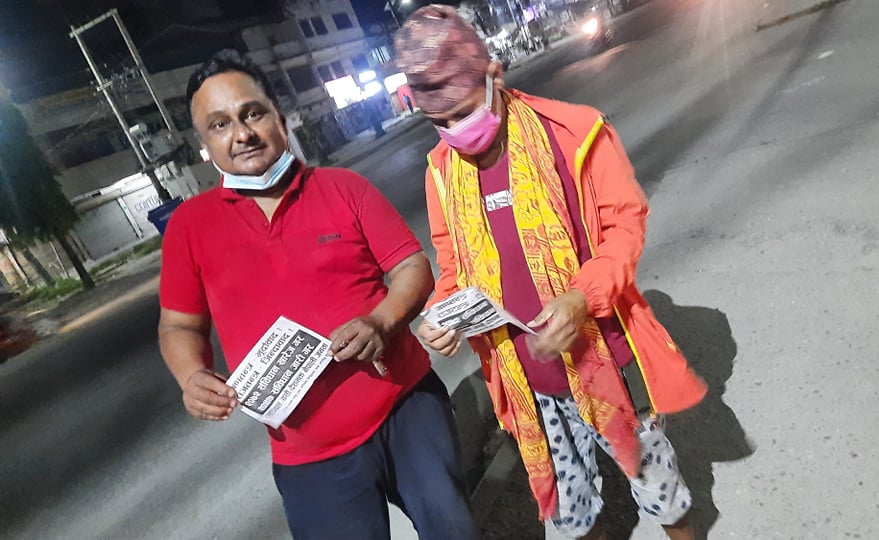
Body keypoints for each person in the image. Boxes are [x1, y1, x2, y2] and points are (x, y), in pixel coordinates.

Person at [395, 7, 708, 540]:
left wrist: (582, 297)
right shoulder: (440, 172)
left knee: (661, 492)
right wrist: (441, 313)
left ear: (495, 76)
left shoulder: (575, 131)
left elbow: (624, 225)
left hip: (607, 356)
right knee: (571, 511)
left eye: (463, 113)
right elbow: (455, 266)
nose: (453, 132)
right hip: (531, 382)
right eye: (439, 123)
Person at [157, 49, 478, 540]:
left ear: (279, 117)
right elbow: (179, 325)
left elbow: (411, 266)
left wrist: (382, 320)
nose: (242, 134)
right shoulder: (189, 227)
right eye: (220, 125)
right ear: (204, 145)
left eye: (252, 113)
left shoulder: (342, 187)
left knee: (454, 532)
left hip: (407, 407)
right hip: (309, 457)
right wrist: (191, 376)